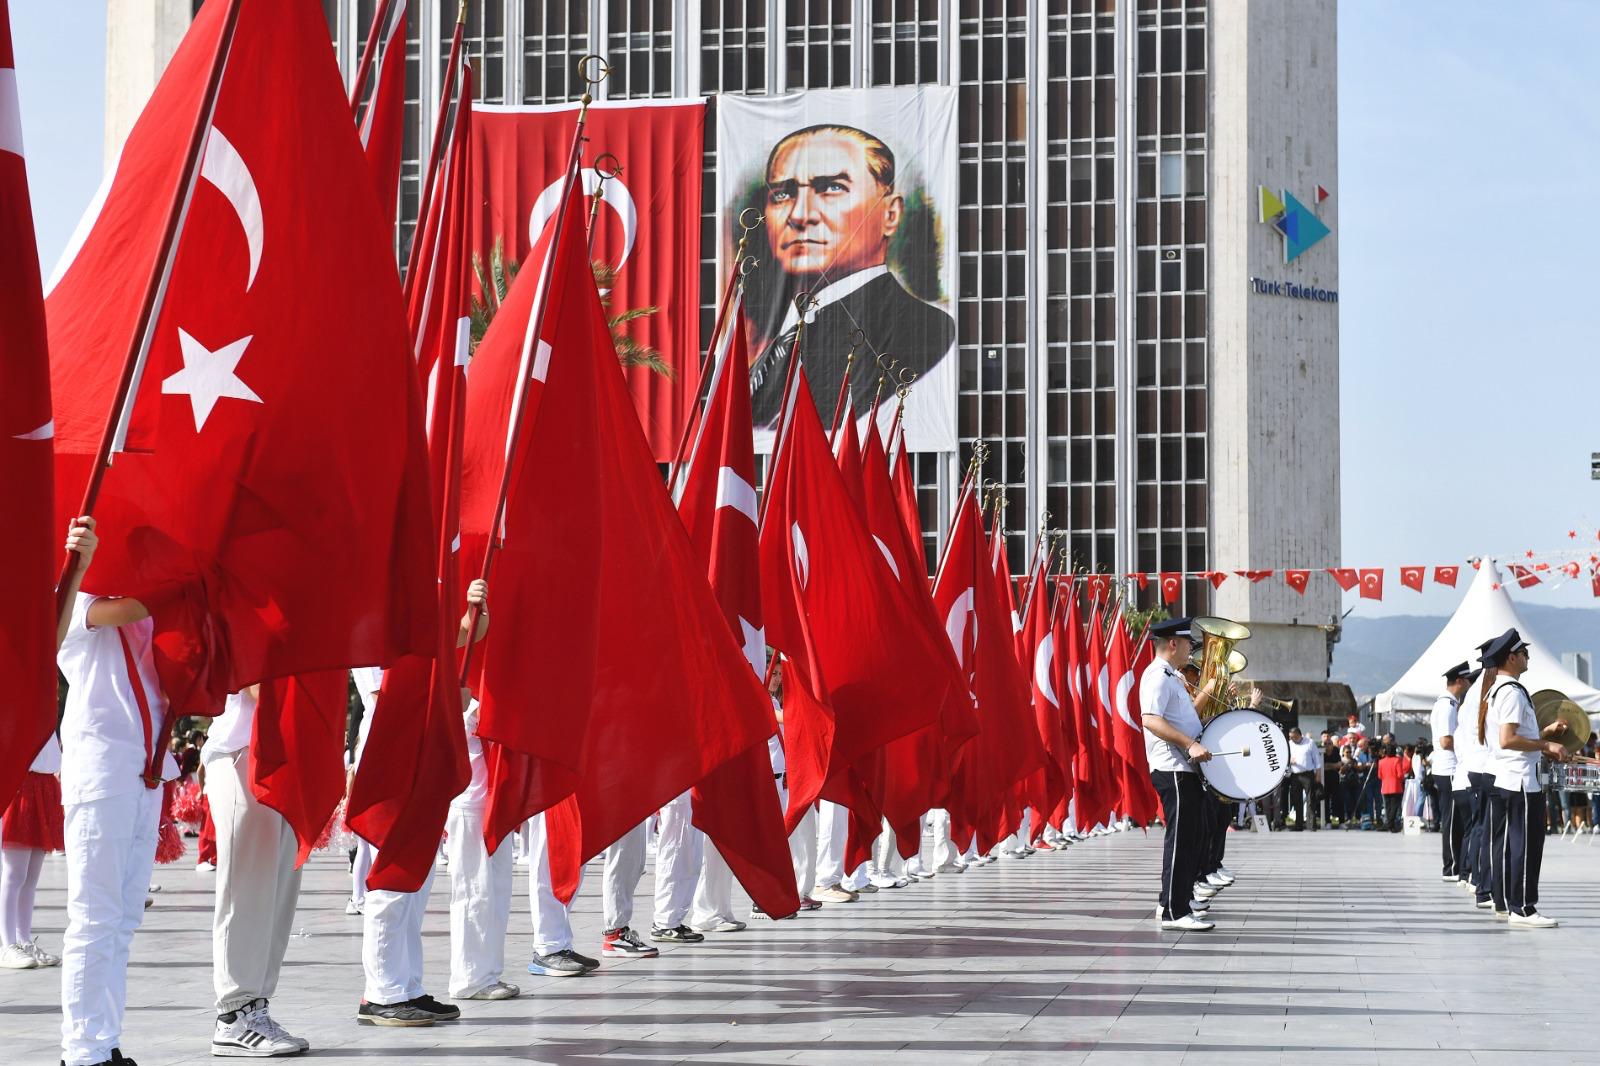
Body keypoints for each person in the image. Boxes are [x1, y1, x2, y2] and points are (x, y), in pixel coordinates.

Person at [55, 516, 180, 1066]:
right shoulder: (75, 598)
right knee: (94, 914)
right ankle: (80, 1051)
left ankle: (103, 1042)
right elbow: (124, 609)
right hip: (100, 769)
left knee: (125, 917)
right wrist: (80, 561)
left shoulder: (152, 620)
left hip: (145, 771)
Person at [747, 124, 955, 427]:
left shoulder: (924, 331)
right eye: (782, 194)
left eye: (832, 188)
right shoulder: (778, 342)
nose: (800, 215)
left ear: (890, 215)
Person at [357, 579, 491, 1026]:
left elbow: (448, 638)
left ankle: (406, 984)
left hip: (419, 744)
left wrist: (471, 619)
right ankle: (381, 992)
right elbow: (393, 685)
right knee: (393, 872)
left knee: (416, 873)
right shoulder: (372, 608)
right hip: (390, 748)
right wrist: (451, 698)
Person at [202, 683, 309, 1056]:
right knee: (246, 889)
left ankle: (256, 1008)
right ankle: (234, 1015)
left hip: (289, 749)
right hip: (242, 749)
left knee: (279, 890)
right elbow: (252, 676)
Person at [1478, 628, 1567, 927]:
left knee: (1508, 844)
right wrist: (1546, 745)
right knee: (1526, 845)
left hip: (1507, 777)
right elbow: (1508, 739)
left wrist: (1544, 736)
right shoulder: (1512, 692)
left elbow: (1514, 737)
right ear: (1512, 658)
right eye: (1524, 653)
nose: (1528, 657)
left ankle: (1507, 902)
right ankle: (1524, 908)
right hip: (1521, 780)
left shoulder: (1497, 690)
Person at [1139, 618, 1215, 932]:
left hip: (1184, 768)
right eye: (1188, 644)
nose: (1190, 650)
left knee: (1191, 838)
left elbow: (1185, 718)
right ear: (1174, 644)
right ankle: (1174, 911)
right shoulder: (1157, 675)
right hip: (1173, 768)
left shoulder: (1172, 676)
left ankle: (1171, 902)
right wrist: (1190, 744)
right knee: (1181, 841)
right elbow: (1150, 720)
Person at [443, 694, 520, 1002]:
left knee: (496, 889)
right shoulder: (461, 675)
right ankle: (469, 977)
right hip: (469, 801)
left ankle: (488, 973)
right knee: (473, 890)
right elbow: (462, 715)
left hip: (492, 798)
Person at [0, 732, 64, 970]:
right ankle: (7, 945)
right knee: (14, 873)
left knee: (30, 877)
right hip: (19, 783)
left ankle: (23, 939)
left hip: (45, 784)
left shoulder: (46, 705)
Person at [1431, 663, 1477, 882]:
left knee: (1456, 820)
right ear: (1459, 680)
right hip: (1448, 767)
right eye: (1467, 680)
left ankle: (1455, 864)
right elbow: (1446, 740)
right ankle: (1450, 867)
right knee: (1451, 821)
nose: (1469, 684)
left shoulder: (1449, 703)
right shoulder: (1448, 706)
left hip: (1448, 768)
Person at [1285, 727, 1319, 831]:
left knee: (1310, 800)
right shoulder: (1289, 744)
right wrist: (1289, 760)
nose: (1292, 739)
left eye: (1294, 737)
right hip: (1295, 775)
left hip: (1307, 774)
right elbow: (1285, 758)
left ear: (1300, 735)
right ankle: (1298, 825)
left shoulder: (1310, 742)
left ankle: (1311, 824)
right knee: (1297, 800)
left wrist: (1318, 775)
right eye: (1291, 737)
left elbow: (1317, 760)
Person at [1377, 745, 1408, 832]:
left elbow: (1379, 776)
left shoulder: (1381, 761)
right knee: (1394, 807)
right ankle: (1390, 824)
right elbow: (1400, 775)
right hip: (1395, 786)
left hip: (1385, 786)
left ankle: (1389, 824)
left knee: (1388, 807)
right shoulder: (1397, 760)